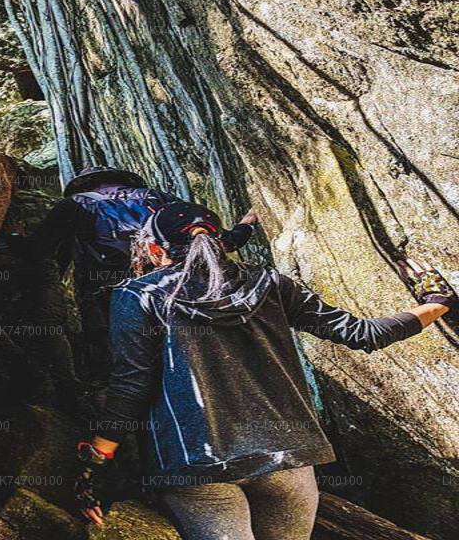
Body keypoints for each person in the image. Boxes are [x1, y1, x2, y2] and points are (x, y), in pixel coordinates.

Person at [73, 201, 456, 540]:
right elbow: (362, 334)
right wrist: (437, 301)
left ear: (155, 251)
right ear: (219, 243)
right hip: (287, 459)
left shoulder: (138, 295)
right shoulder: (270, 283)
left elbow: (131, 386)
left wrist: (97, 462)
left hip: (199, 465)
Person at [28, 166, 258, 384]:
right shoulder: (157, 197)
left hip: (106, 292)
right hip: (167, 286)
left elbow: (39, 249)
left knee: (112, 354)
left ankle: (110, 397)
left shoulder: (74, 204)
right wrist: (247, 222)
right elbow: (219, 240)